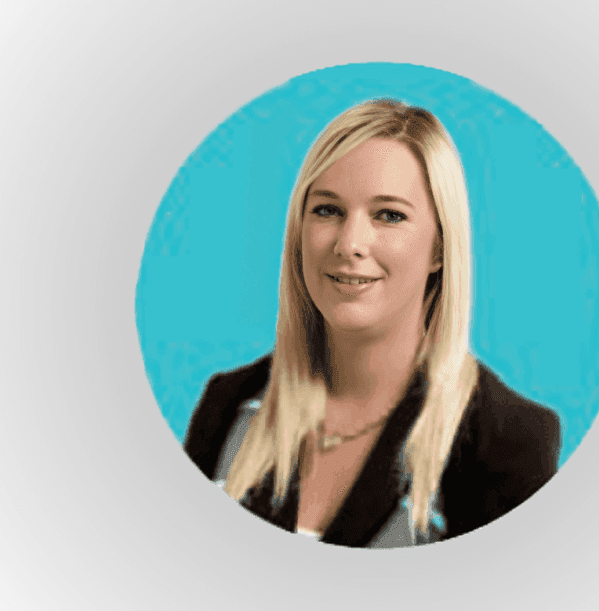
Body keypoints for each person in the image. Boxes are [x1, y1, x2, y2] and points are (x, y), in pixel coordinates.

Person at [184, 99, 561, 547]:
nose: (350, 243)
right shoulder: (228, 404)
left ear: (440, 248)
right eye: (327, 210)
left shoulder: (509, 442)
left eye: (389, 215)